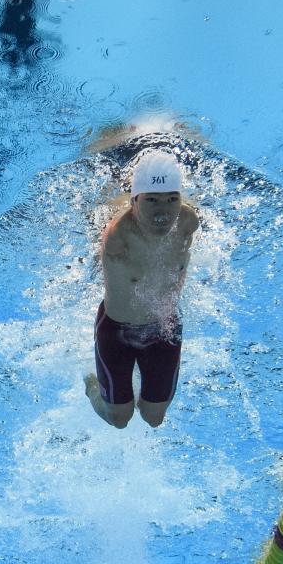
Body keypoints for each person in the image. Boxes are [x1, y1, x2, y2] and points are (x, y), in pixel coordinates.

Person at [84, 149, 200, 429]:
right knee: (119, 419)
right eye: (152, 200)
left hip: (164, 328)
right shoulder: (118, 235)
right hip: (118, 333)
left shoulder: (188, 222)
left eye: (172, 199)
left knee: (154, 418)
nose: (163, 211)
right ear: (134, 201)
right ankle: (91, 385)